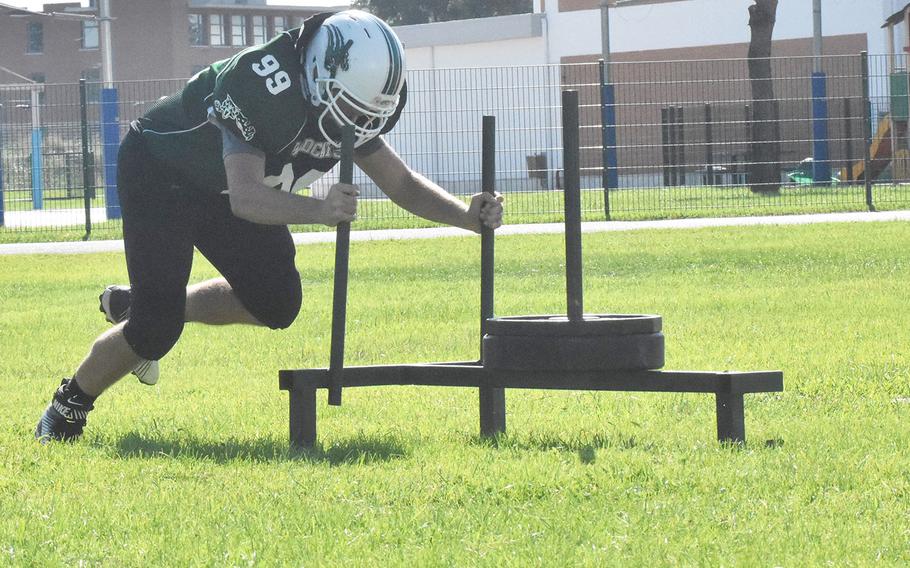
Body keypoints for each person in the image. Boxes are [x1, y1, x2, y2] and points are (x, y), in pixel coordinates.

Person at [35, 10, 503, 442]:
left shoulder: (344, 98)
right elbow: (246, 197)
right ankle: (66, 406)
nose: (358, 123)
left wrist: (464, 216)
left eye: (366, 113)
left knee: (277, 302)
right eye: (351, 108)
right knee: (155, 330)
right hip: (165, 174)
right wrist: (320, 211)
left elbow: (400, 182)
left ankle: (143, 303)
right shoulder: (263, 85)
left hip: (225, 190)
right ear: (319, 75)